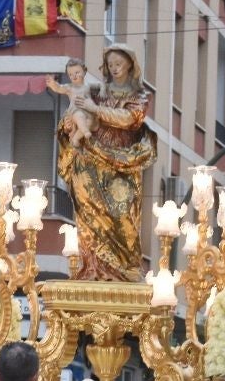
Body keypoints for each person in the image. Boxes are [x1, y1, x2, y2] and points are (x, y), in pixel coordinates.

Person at [57, 44, 157, 282]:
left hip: (123, 160)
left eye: (118, 64)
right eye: (110, 64)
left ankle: (126, 268)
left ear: (130, 65)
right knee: (90, 213)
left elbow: (130, 119)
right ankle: (94, 267)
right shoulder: (97, 90)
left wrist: (95, 109)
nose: (114, 69)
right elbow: (75, 106)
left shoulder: (139, 95)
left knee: (122, 214)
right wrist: (72, 123)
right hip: (91, 157)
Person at [46, 59, 101, 148]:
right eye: (70, 75)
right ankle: (84, 132)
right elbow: (59, 88)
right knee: (80, 117)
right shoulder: (70, 87)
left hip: (88, 112)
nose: (74, 76)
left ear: (85, 71)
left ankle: (77, 137)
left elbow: (100, 85)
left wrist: (103, 90)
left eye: (77, 73)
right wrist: (53, 84)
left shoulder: (88, 86)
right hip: (76, 111)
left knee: (89, 122)